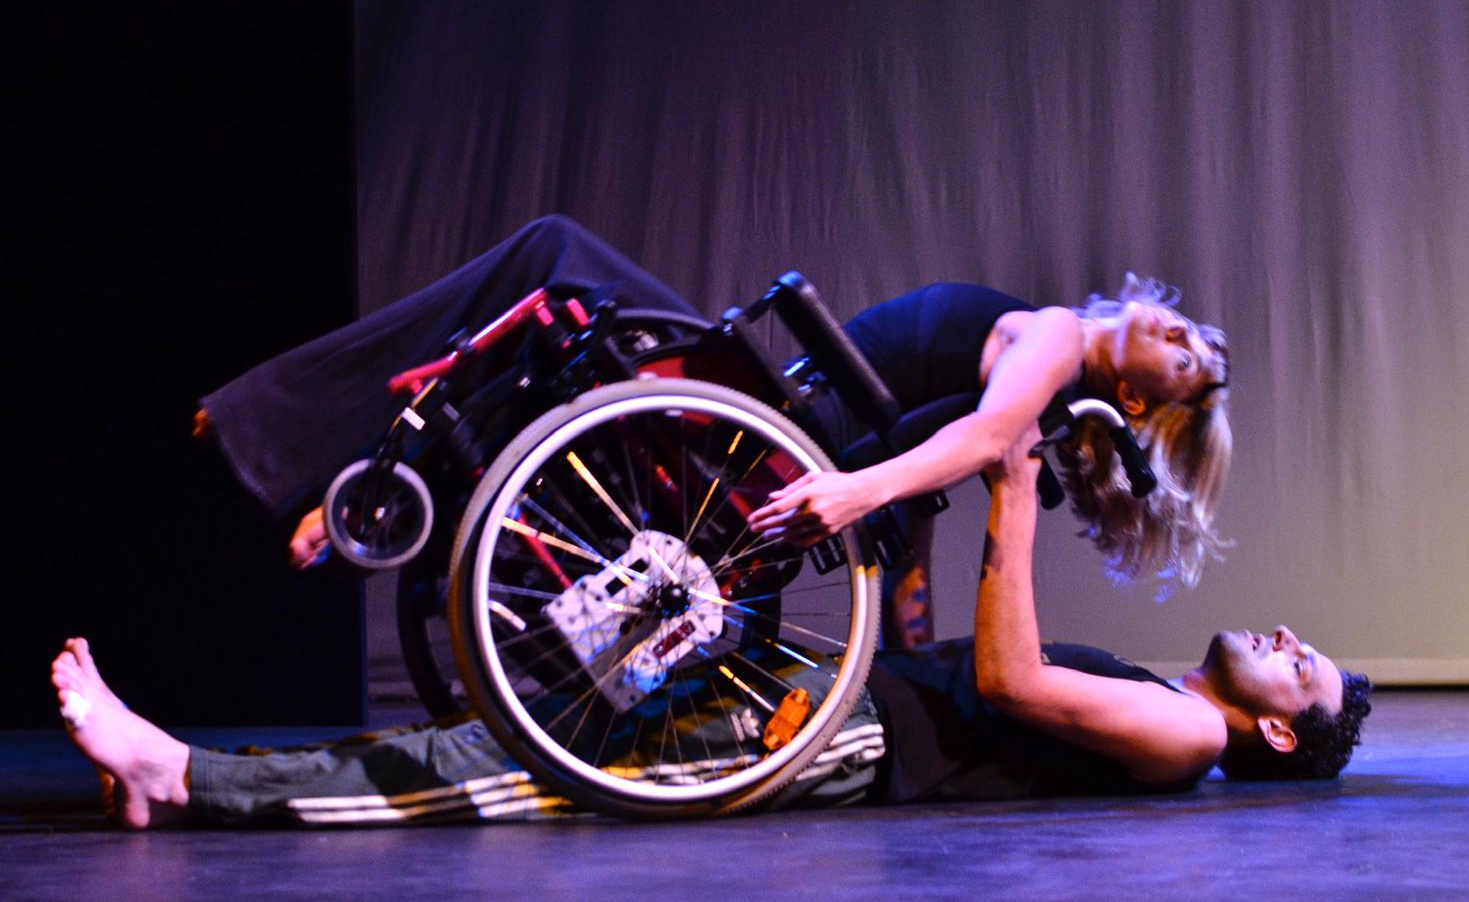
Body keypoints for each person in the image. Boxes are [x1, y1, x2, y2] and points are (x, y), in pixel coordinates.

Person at [52, 431, 1369, 829]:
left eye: (1300, 663)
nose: (1285, 633)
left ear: (1273, 729)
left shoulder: (1186, 735)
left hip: (820, 736)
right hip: (823, 707)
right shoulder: (1170, 705)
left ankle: (185, 774)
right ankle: (189, 777)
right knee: (509, 738)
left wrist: (1012, 499)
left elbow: (1012, 680)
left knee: (501, 772)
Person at [198, 216, 1232, 646]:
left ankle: (322, 454)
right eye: (1189, 327)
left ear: (1141, 407)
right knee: (554, 321)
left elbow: (966, 447)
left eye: (1189, 361)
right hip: (770, 425)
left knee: (554, 255)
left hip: (767, 431)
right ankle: (378, 485)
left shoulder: (1055, 341)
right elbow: (928, 466)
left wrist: (853, 497)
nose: (1181, 334)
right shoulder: (1046, 361)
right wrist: (907, 644)